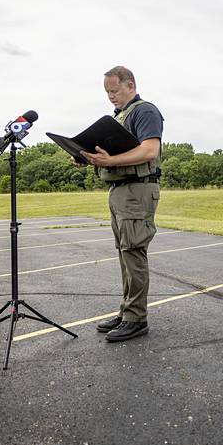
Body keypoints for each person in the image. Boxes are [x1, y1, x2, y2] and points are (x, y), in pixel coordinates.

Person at [81, 66, 163, 342]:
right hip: (120, 190)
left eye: (114, 90)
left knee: (133, 251)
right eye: (107, 92)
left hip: (137, 190)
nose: (110, 97)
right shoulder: (120, 116)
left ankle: (136, 318)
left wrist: (111, 161)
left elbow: (150, 150)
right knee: (124, 252)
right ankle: (127, 310)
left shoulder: (145, 111)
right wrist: (88, 156)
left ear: (131, 85)